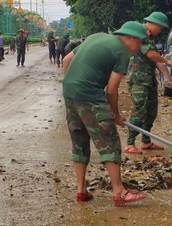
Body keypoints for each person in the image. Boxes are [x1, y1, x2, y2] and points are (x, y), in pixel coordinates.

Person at [62, 21, 148, 206]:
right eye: (140, 42)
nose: (140, 47)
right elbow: (111, 90)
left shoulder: (96, 36)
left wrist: (71, 83)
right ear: (129, 38)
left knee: (79, 141)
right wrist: (116, 116)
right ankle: (119, 192)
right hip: (91, 96)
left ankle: (81, 191)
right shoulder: (121, 52)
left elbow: (66, 60)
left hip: (70, 93)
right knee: (109, 140)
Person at [124, 12, 172, 155]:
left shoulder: (150, 38)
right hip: (138, 81)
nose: (160, 30)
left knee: (150, 112)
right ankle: (130, 143)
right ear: (154, 23)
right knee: (139, 111)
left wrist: (167, 78)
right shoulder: (140, 34)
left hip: (149, 80)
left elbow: (155, 61)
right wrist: (168, 61)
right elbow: (152, 55)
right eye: (160, 27)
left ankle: (146, 142)